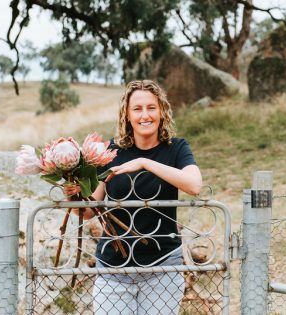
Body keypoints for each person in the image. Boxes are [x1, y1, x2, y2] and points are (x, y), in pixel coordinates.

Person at [81, 80, 202, 315]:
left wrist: (145, 163)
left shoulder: (176, 148)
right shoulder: (110, 151)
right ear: (127, 115)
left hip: (163, 268)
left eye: (151, 108)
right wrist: (75, 191)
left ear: (162, 111)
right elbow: (88, 211)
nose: (145, 115)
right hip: (113, 270)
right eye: (137, 109)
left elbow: (194, 185)